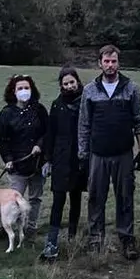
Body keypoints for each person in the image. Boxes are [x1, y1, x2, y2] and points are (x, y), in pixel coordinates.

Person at [78, 44, 140, 260]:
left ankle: (127, 238)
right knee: (96, 197)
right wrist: (83, 154)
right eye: (106, 61)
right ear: (100, 63)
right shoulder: (90, 90)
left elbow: (139, 120)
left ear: (119, 63)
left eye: (113, 61)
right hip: (98, 154)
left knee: (125, 196)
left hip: (123, 153)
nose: (110, 65)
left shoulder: (131, 88)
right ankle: (96, 238)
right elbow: (84, 124)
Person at [40, 66, 88, 260]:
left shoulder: (86, 101)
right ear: (61, 86)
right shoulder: (56, 105)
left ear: (77, 81)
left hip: (80, 157)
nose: (69, 86)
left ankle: (72, 236)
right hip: (60, 158)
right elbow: (50, 133)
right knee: (58, 200)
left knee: (76, 198)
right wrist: (47, 159)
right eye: (65, 83)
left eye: (72, 82)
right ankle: (51, 242)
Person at [0, 74, 49, 240]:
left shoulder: (39, 110)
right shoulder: (6, 113)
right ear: (13, 91)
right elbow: (3, 140)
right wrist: (8, 159)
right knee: (13, 199)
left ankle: (31, 227)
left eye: (27, 88)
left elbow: (47, 132)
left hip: (37, 162)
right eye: (20, 88)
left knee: (35, 198)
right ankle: (12, 228)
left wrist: (39, 145)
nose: (24, 91)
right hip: (17, 164)